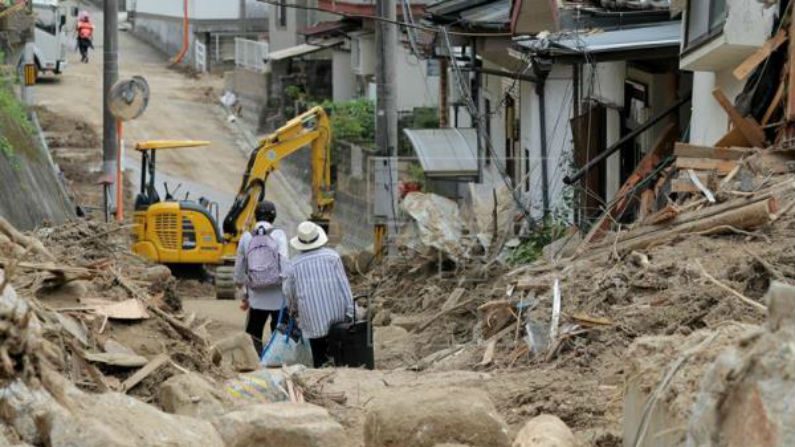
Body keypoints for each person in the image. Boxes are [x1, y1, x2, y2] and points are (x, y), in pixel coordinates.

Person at [283, 221, 354, 367]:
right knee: (339, 354)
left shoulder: (293, 264)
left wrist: (293, 310)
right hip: (337, 318)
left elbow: (289, 293)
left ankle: (321, 370)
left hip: (311, 320)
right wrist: (351, 312)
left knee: (318, 355)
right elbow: (344, 287)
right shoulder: (333, 257)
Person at [234, 201, 289, 354]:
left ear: (255, 216)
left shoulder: (246, 237)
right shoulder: (279, 235)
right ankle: (276, 358)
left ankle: (255, 360)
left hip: (256, 296)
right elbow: (284, 261)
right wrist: (287, 288)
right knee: (279, 331)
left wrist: (242, 288)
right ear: (274, 217)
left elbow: (239, 266)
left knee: (254, 332)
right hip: (278, 296)